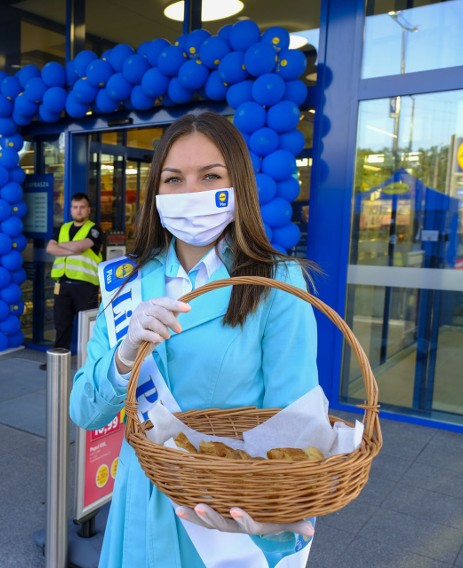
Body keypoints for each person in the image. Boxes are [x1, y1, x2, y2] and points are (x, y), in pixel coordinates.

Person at [69, 112, 319, 567]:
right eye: (173, 178)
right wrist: (123, 358)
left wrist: (279, 519)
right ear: (157, 192)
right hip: (138, 506)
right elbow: (85, 411)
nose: (191, 193)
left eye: (210, 176)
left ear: (238, 184)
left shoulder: (277, 283)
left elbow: (294, 424)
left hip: (224, 517)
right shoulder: (125, 282)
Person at [44, 192, 103, 368]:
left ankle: (89, 363)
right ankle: (58, 361)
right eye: (75, 207)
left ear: (88, 209)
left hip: (86, 285)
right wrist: (73, 249)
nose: (79, 210)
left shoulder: (95, 229)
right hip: (62, 285)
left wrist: (61, 247)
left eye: (82, 207)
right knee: (61, 324)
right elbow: (49, 248)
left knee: (88, 326)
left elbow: (80, 246)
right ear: (70, 209)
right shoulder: (62, 228)